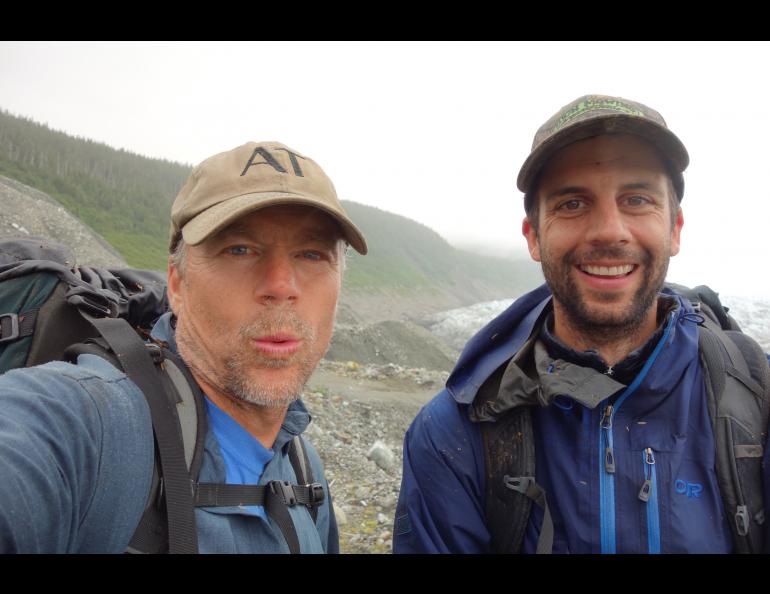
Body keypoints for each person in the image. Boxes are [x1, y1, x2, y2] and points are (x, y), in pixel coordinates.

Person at [393, 95, 769, 554]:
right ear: (533, 236)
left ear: (675, 228)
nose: (609, 230)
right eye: (572, 203)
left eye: (636, 199)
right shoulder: (454, 434)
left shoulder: (755, 398)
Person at [0, 141, 368, 553]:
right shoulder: (87, 424)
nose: (281, 285)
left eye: (312, 254)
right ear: (177, 282)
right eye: (240, 249)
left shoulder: (302, 467)